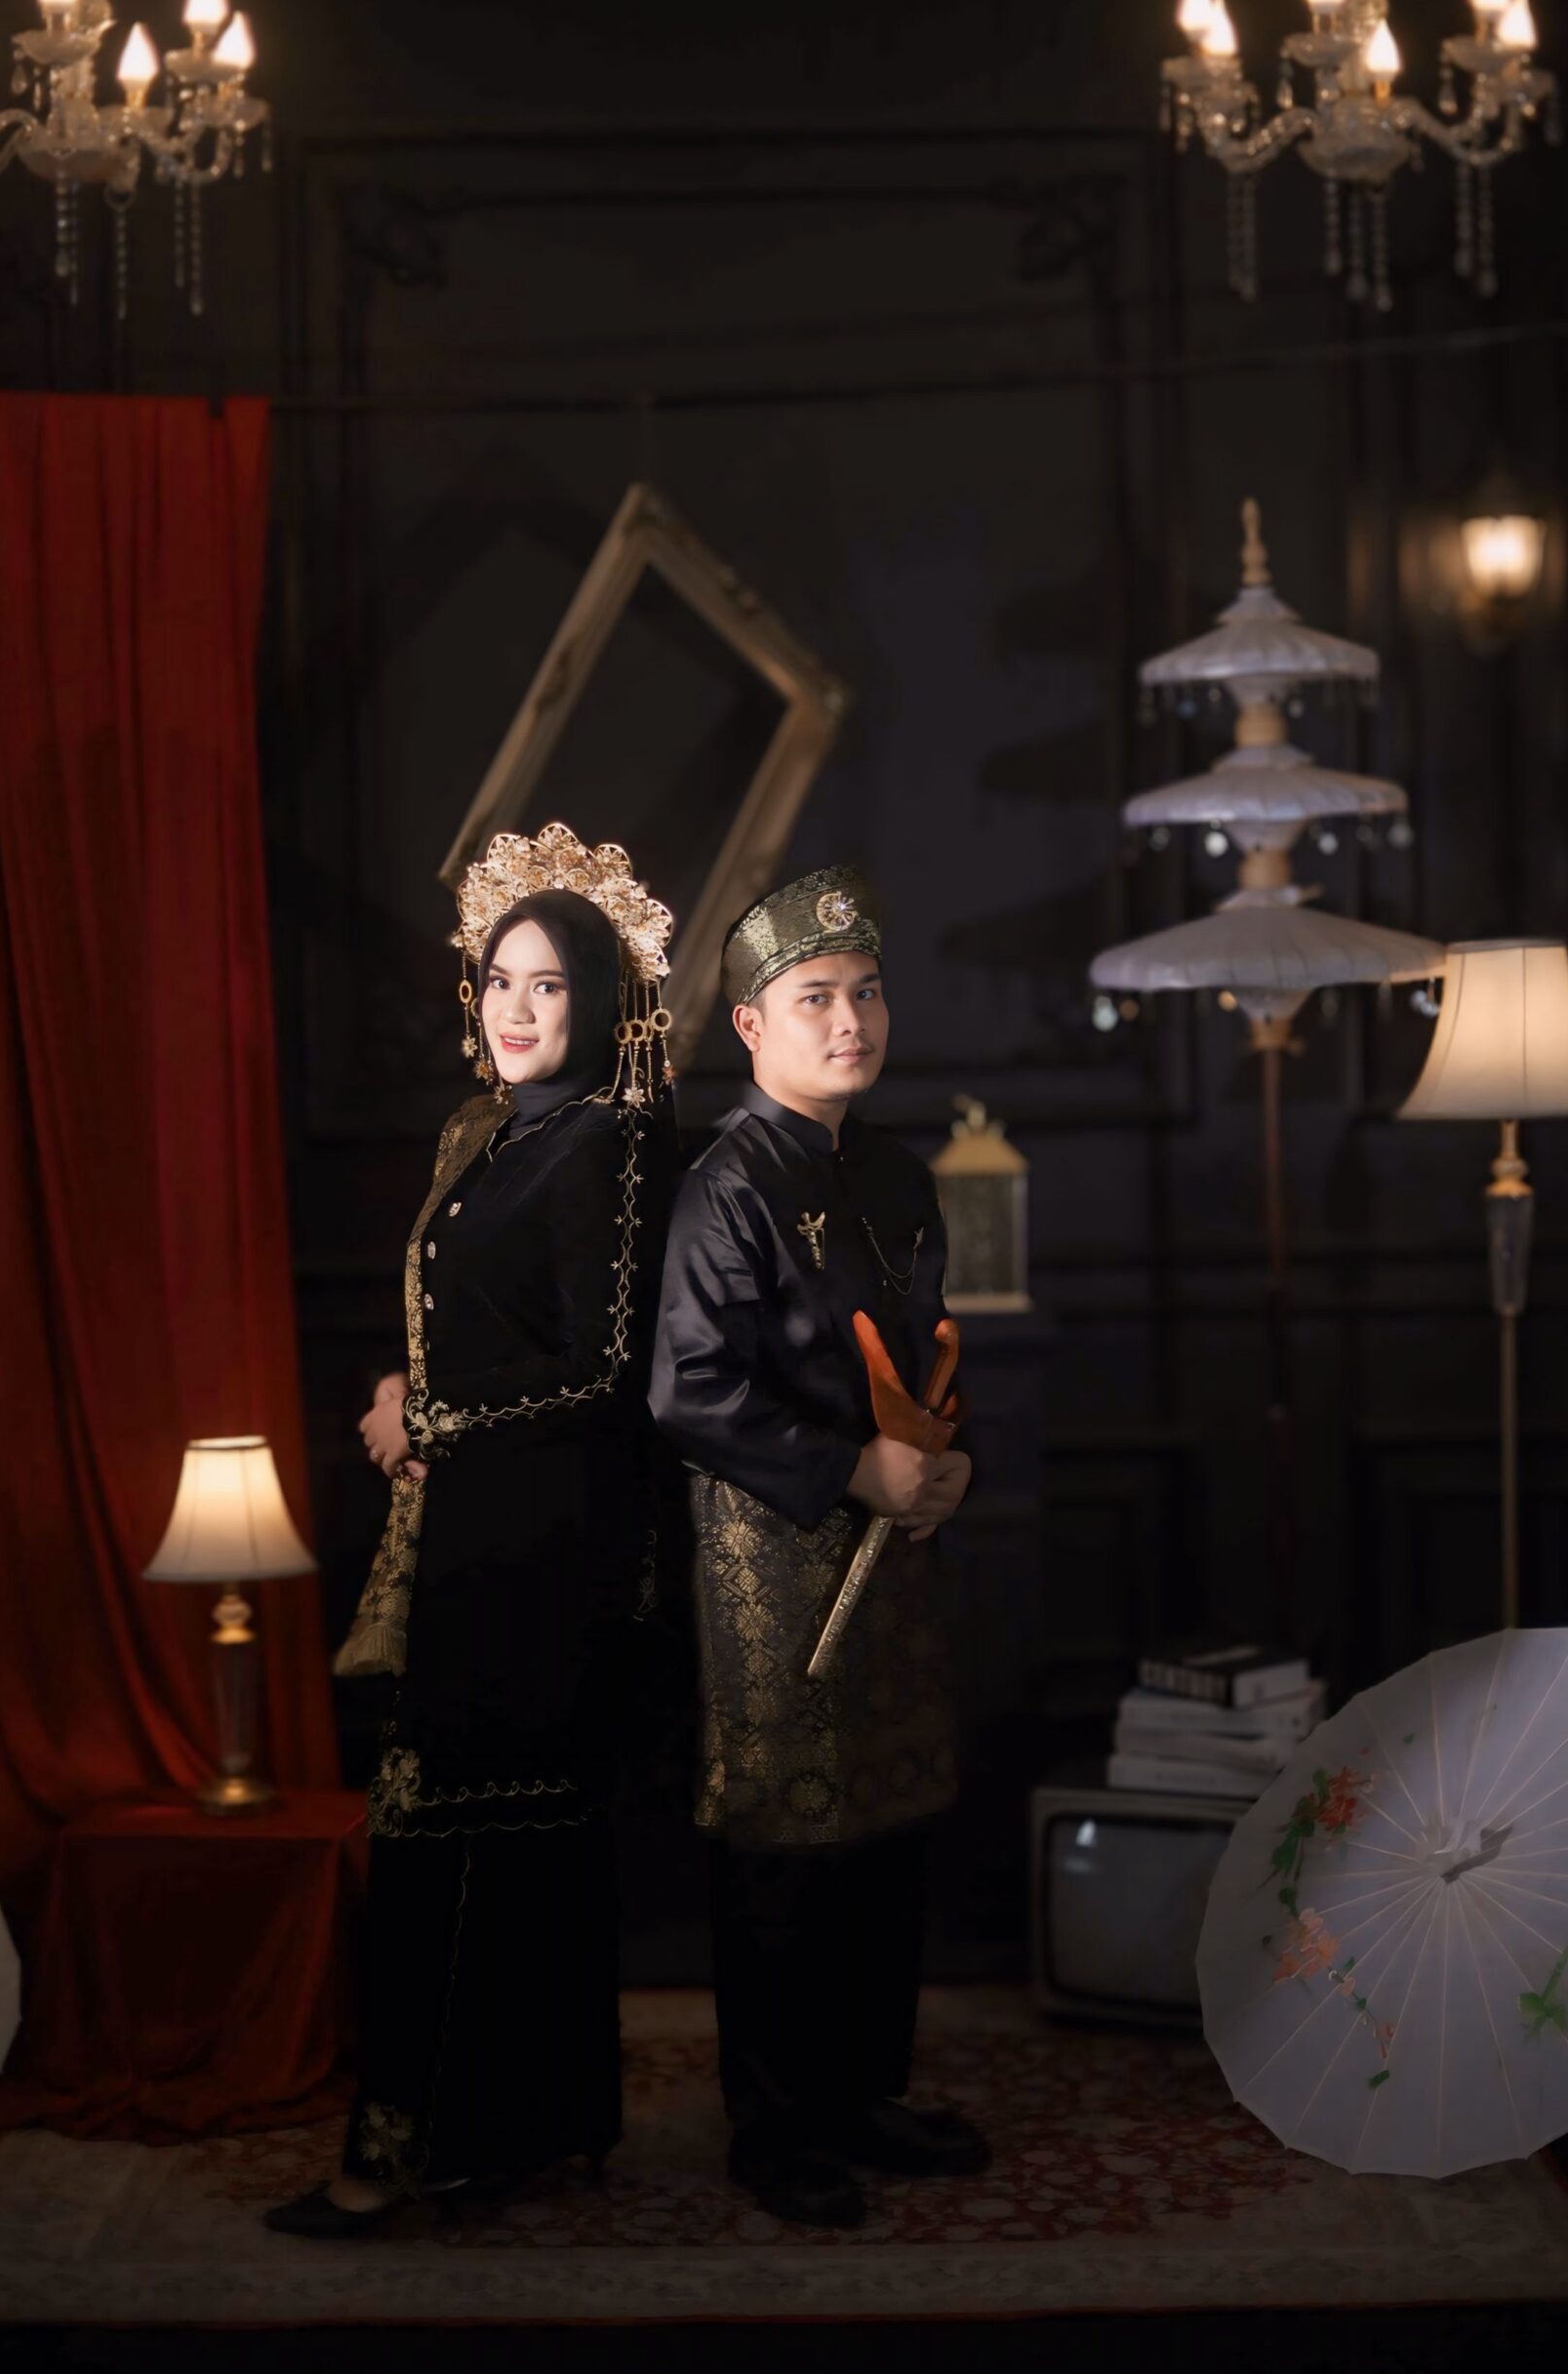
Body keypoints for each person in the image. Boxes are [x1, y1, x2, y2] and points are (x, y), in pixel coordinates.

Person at [267, 823, 678, 2237]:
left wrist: (430, 1419)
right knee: (479, 1844)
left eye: (549, 985)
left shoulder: (614, 1143)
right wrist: (409, 1388)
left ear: (600, 1002)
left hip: (547, 1556)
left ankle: (401, 2157)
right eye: (500, 980)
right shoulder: (491, 1134)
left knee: (470, 1840)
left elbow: (604, 1367)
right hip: (475, 1537)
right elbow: (476, 1323)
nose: (516, 1008)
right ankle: (519, 2131)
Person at [648, 864, 988, 2231]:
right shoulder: (724, 1185)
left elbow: (933, 1356)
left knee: (888, 1825)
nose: (851, 1021)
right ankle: (778, 2127)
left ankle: (866, 2093)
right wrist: (852, 1466)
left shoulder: (897, 1177)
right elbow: (689, 1389)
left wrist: (948, 1463)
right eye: (816, 998)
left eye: (867, 993)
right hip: (768, 1556)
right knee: (786, 1841)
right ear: (750, 1024)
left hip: (894, 1544)